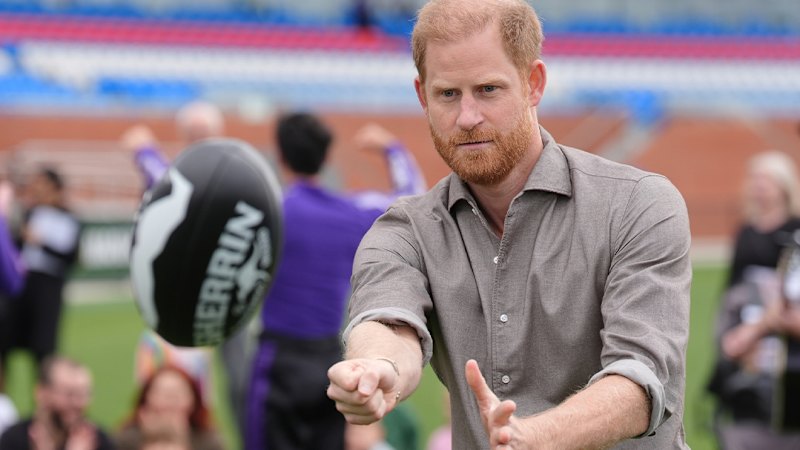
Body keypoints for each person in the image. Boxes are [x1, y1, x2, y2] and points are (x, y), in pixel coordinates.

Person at [326, 0, 692, 448]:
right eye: (448, 94)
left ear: (533, 83)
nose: (467, 117)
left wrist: (539, 436)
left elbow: (643, 378)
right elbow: (388, 321)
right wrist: (374, 368)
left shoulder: (639, 205)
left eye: (488, 90)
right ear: (422, 96)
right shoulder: (403, 231)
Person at [245, 113, 426, 450]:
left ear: (280, 156)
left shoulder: (272, 211)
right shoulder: (351, 213)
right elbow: (412, 198)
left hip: (277, 358)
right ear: (327, 158)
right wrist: (392, 148)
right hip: (331, 361)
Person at [122, 100, 250, 439]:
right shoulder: (174, 175)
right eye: (192, 134)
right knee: (174, 385)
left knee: (239, 382)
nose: (199, 140)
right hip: (177, 302)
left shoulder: (234, 175)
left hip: (226, 297)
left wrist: (144, 151)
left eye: (204, 134)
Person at [708, 150, 800, 449]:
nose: (759, 186)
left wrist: (764, 323)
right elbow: (732, 288)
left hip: (784, 334)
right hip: (748, 329)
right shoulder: (746, 232)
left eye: (767, 179)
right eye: (756, 179)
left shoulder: (795, 231)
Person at [0, 167, 80, 385]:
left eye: (42, 185)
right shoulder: (29, 213)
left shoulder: (68, 218)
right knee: (4, 344)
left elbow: (71, 257)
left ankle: (43, 402)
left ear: (55, 189)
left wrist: (41, 242)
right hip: (21, 287)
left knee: (43, 350)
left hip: (47, 290)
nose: (36, 190)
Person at [0, 355, 114, 449]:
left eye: (84, 394)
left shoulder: (98, 441)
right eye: (69, 394)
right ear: (41, 393)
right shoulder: (13, 442)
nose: (78, 403)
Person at [114, 365, 225, 450]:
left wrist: (180, 438)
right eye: (163, 394)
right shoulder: (127, 439)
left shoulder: (208, 439)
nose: (170, 402)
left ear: (193, 401)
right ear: (147, 399)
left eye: (177, 395)